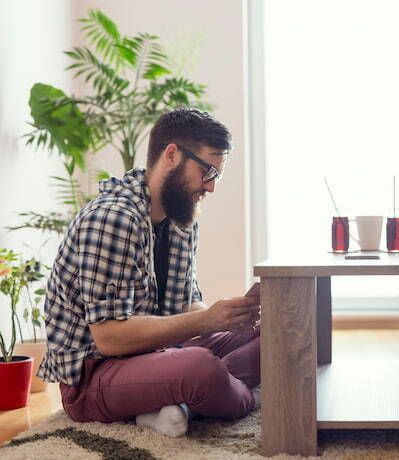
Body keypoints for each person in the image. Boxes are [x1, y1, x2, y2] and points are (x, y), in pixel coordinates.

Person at [37, 107, 261, 438]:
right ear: (172, 155)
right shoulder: (113, 218)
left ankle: (182, 399)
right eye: (207, 171)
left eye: (216, 175)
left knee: (277, 335)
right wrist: (207, 321)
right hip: (95, 375)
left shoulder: (181, 218)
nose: (210, 187)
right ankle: (241, 397)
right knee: (200, 368)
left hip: (159, 355)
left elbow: (187, 307)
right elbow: (110, 338)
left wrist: (231, 316)